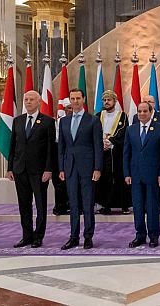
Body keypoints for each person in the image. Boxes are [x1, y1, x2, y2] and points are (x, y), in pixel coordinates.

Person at [7, 90, 56, 248]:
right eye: (26, 99)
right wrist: (10, 168)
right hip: (20, 169)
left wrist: (49, 169)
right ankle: (26, 235)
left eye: (31, 99)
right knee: (24, 204)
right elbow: (13, 146)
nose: (28, 102)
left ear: (39, 102)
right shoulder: (18, 121)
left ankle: (38, 236)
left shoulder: (48, 121)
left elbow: (50, 149)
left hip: (39, 170)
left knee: (40, 204)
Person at [58, 88, 103, 250]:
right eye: (72, 98)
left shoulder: (93, 120)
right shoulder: (64, 121)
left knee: (88, 203)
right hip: (70, 168)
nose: (75, 101)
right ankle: (73, 237)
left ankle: (88, 236)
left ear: (83, 99)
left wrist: (97, 168)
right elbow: (61, 147)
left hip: (88, 168)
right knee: (73, 204)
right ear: (69, 100)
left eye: (78, 98)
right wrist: (61, 168)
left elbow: (98, 146)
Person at [124, 101, 160, 248]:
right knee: (137, 207)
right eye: (139, 111)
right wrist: (127, 173)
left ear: (151, 112)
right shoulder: (130, 130)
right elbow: (126, 154)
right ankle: (140, 235)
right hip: (136, 175)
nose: (142, 114)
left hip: (154, 176)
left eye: (145, 111)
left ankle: (153, 236)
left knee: (152, 207)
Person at [96, 90, 131, 215]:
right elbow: (95, 131)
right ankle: (105, 205)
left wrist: (110, 141)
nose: (106, 102)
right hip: (102, 152)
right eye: (105, 100)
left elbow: (123, 131)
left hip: (116, 152)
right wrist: (102, 143)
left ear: (115, 101)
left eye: (109, 100)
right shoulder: (98, 115)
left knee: (119, 178)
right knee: (104, 179)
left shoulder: (122, 116)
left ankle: (123, 205)